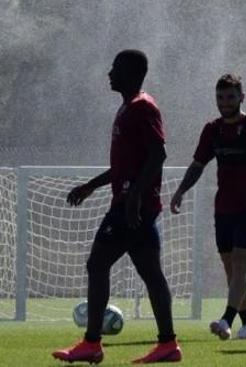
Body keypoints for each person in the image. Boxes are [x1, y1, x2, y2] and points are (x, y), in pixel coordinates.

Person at [53, 50, 181, 364]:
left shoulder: (142, 107)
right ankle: (168, 345)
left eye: (115, 68)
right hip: (130, 202)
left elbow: (158, 155)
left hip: (130, 206)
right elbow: (127, 164)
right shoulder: (128, 108)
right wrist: (91, 187)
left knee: (98, 264)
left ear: (131, 73)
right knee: (151, 274)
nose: (109, 73)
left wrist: (135, 196)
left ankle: (92, 342)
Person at [170, 74, 246, 340]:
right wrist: (180, 191)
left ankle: (226, 320)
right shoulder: (212, 130)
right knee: (231, 269)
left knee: (241, 263)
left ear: (242, 98)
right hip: (223, 208)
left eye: (230, 97)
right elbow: (198, 165)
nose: (225, 103)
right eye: (220, 98)